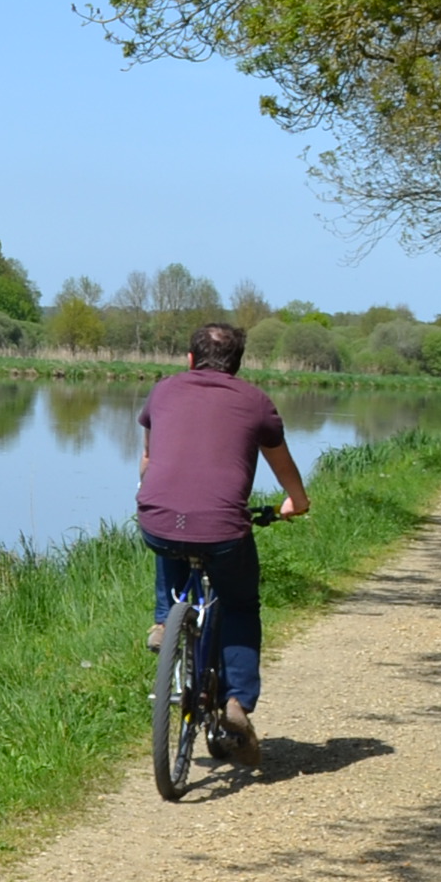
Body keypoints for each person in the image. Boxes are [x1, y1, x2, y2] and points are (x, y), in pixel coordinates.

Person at [139, 321, 311, 764]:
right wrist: (297, 500)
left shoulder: (162, 391)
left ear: (190, 359)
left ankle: (164, 621)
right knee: (239, 605)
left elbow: (148, 460)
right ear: (236, 364)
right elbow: (281, 463)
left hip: (157, 518)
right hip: (222, 530)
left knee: (169, 535)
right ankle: (237, 701)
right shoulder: (255, 402)